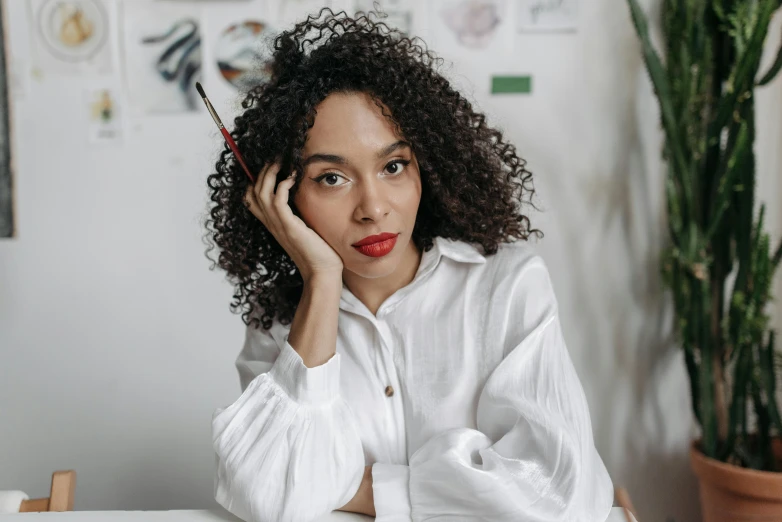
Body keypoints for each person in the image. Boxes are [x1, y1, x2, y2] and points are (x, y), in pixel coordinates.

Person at [205, 7, 613, 522]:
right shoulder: (280, 321)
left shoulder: (509, 286)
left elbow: (559, 494)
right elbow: (272, 498)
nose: (373, 207)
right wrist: (322, 281)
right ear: (284, 196)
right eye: (332, 178)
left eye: (393, 166)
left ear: (428, 168)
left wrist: (358, 489)